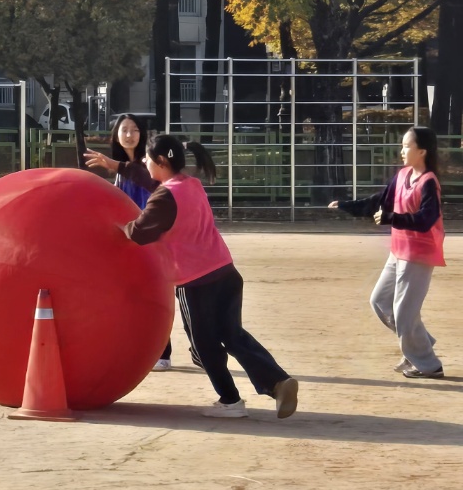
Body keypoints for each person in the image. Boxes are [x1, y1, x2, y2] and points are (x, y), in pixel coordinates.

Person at [124, 134, 299, 419]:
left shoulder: (165, 196)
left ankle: (230, 400)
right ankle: (278, 381)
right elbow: (154, 188)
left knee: (204, 346)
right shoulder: (190, 185)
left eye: (147, 158)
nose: (144, 162)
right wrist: (119, 167)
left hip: (195, 283)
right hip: (226, 273)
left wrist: (118, 227)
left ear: (161, 161)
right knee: (233, 336)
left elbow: (139, 232)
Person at [328, 126, 445, 379]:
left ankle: (429, 365)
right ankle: (421, 346)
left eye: (406, 146)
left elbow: (426, 219)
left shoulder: (428, 182)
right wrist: (347, 205)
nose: (401, 150)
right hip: (399, 251)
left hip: (419, 254)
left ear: (422, 151)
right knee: (380, 302)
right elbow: (379, 202)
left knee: (404, 313)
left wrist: (393, 218)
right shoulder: (402, 176)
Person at [83, 114, 175, 371]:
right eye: (124, 129)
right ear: (116, 135)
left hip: (151, 238)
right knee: (131, 295)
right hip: (130, 239)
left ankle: (163, 352)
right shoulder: (119, 169)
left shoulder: (149, 163)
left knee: (158, 293)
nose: (129, 134)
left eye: (135, 130)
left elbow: (155, 190)